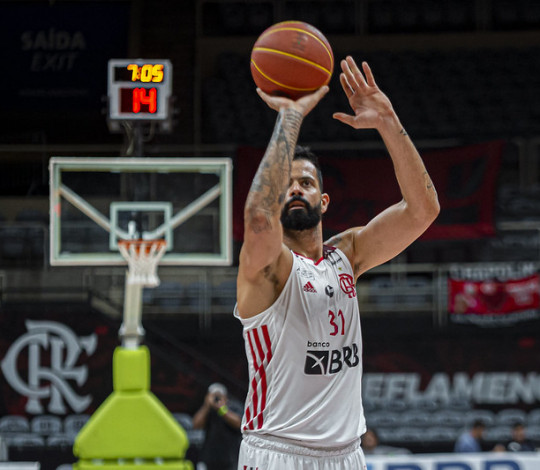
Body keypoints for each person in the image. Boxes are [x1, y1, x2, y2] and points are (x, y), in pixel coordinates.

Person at [234, 55, 440, 470]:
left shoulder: (348, 254)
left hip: (346, 454)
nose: (295, 189)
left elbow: (423, 210)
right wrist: (290, 117)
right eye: (287, 184)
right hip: (276, 450)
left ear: (323, 201)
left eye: (306, 183)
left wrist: (387, 121)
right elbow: (258, 219)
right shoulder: (269, 270)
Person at [192, 383, 242, 470]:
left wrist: (221, 409)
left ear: (226, 397)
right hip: (209, 458)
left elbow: (238, 423)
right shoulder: (207, 410)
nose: (216, 399)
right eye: (214, 396)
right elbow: (196, 425)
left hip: (230, 459)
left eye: (219, 396)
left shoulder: (233, 407)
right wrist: (206, 406)